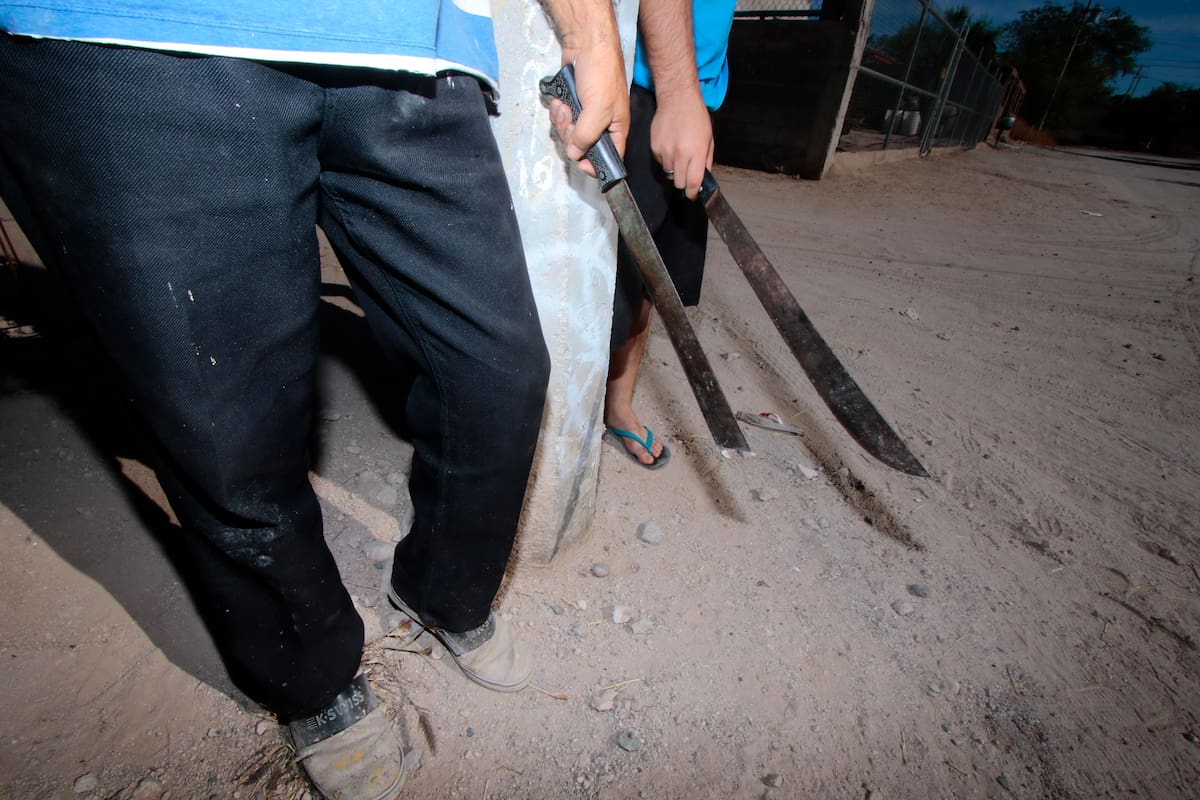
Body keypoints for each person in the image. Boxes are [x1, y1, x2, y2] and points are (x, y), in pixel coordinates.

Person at [0, 2, 628, 798]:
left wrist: (589, 32)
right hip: (135, 34)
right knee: (230, 427)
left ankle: (444, 587)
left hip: (415, 44)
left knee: (497, 369)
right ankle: (310, 673)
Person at [601, 0, 738, 468]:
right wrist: (676, 92)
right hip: (639, 85)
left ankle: (617, 403)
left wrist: (691, 98)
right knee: (608, 277)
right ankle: (559, 414)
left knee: (655, 277)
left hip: (700, 98)